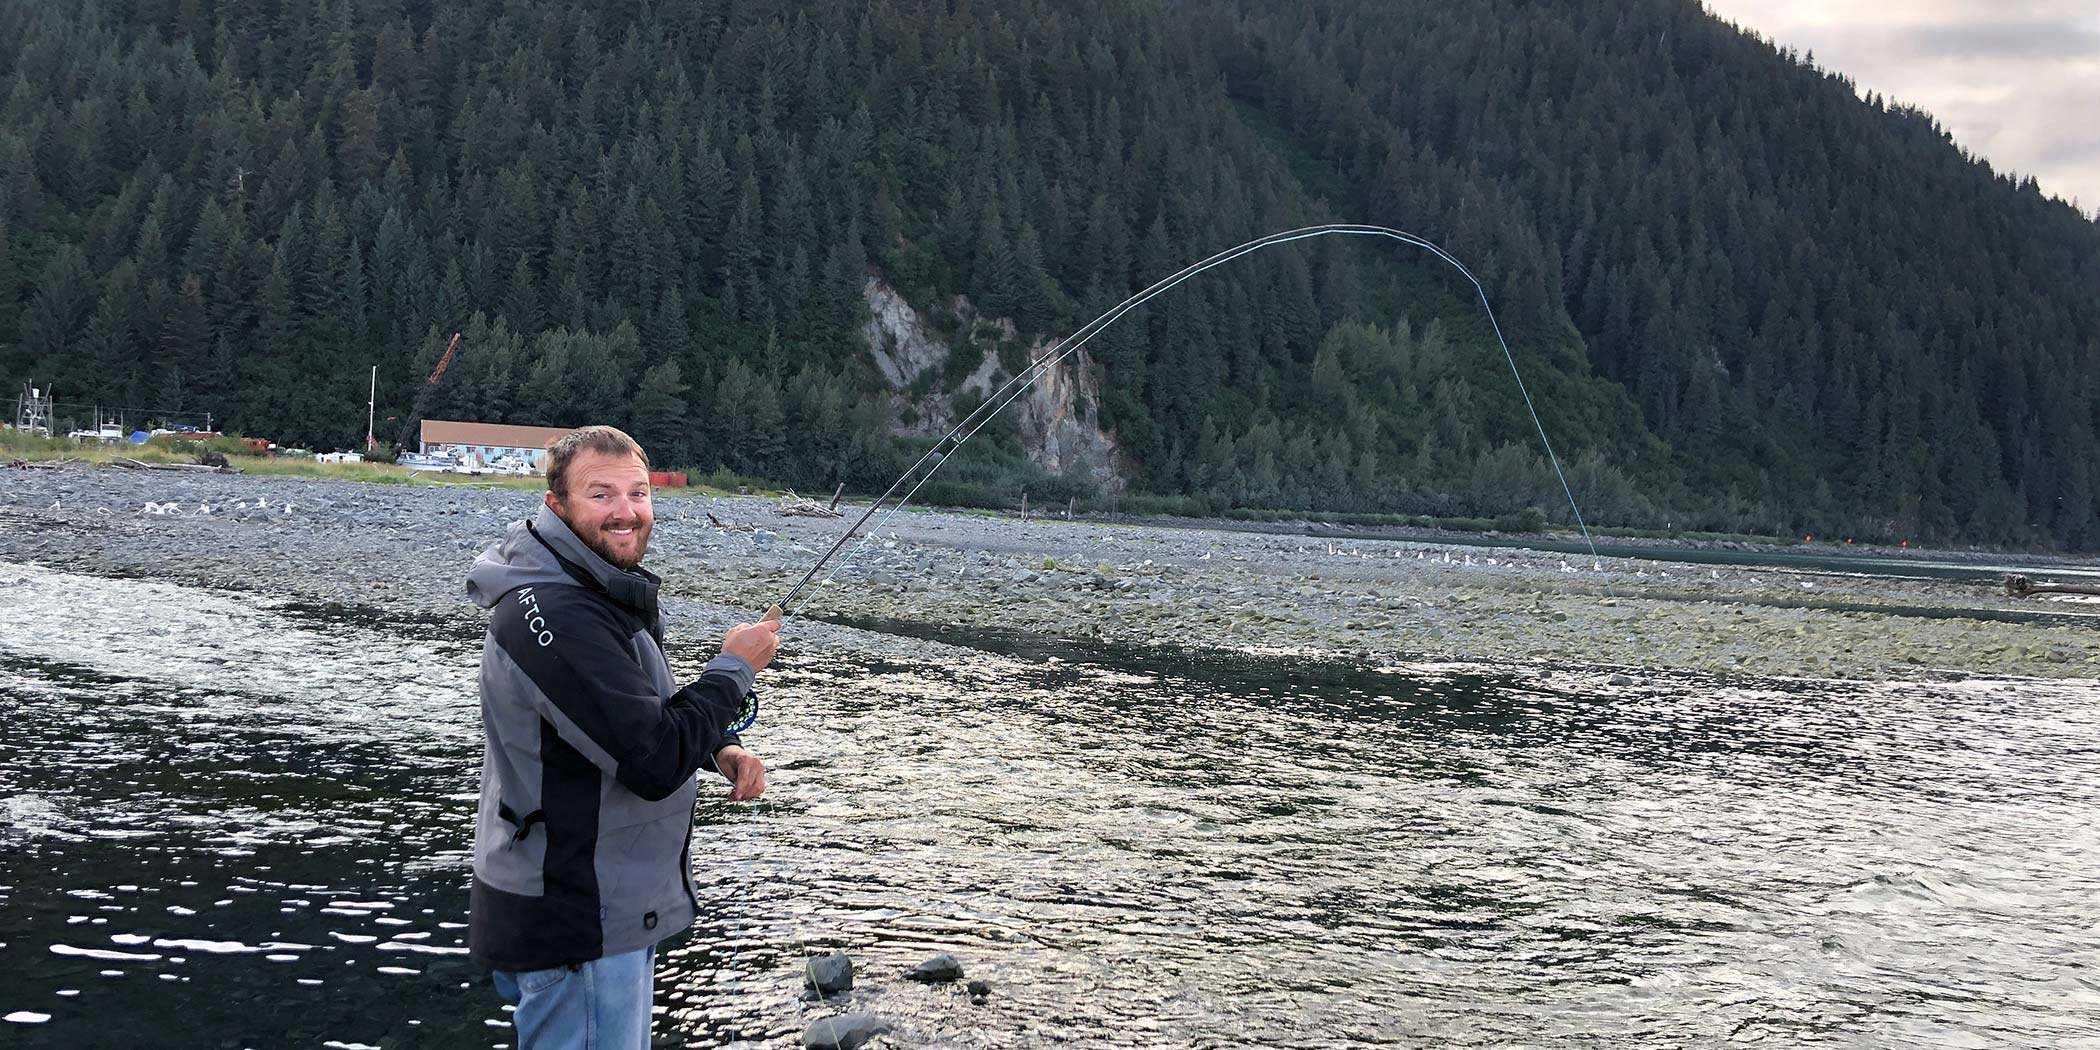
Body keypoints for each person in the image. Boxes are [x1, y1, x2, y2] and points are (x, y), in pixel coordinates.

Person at [463, 424, 779, 1048]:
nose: (626, 511)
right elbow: (653, 759)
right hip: (579, 911)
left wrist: (716, 745)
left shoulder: (583, 583)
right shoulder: (556, 610)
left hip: (574, 898)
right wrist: (734, 668)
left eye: (638, 493)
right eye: (601, 494)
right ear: (557, 505)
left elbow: (627, 714)